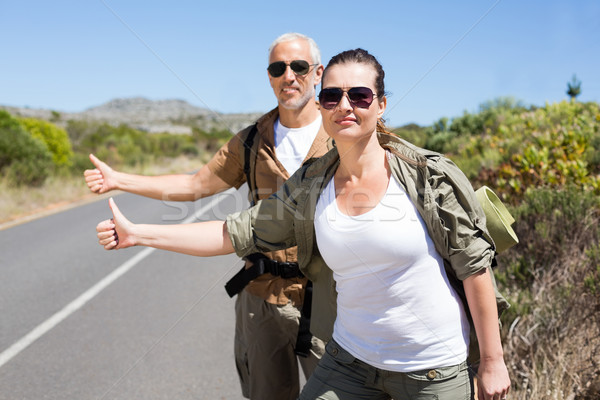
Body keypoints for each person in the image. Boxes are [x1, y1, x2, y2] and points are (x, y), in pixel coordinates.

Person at [96, 48, 511, 400]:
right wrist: (139, 234)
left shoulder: (426, 175)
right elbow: (235, 232)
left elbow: (474, 267)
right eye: (332, 96)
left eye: (360, 95)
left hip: (431, 370)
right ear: (322, 102)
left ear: (381, 104)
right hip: (348, 361)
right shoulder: (312, 184)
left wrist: (492, 361)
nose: (344, 106)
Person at [85, 33, 329, 400]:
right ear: (269, 76)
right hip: (262, 299)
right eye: (279, 68)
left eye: (298, 66)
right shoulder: (251, 141)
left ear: (318, 72)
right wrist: (119, 180)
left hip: (326, 299)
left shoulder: (342, 134)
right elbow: (194, 184)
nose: (289, 76)